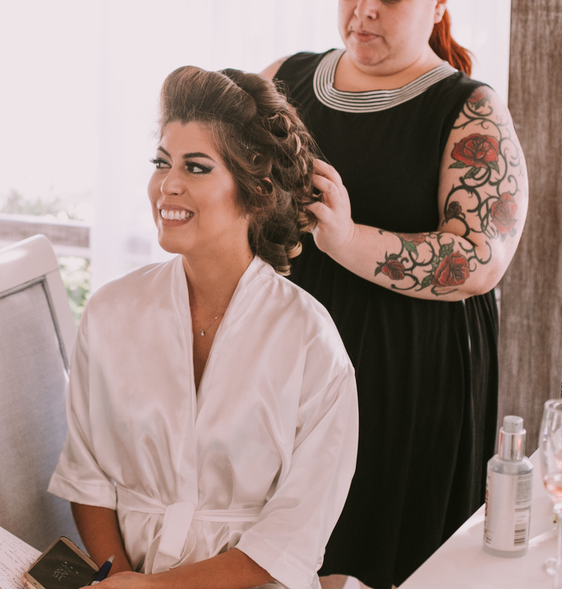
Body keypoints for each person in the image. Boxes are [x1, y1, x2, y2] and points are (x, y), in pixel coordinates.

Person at [259, 0, 529, 589]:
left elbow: (477, 260)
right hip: (291, 363)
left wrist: (347, 240)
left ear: (440, 0)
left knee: (382, 560)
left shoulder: (469, 110)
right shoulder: (284, 81)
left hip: (411, 372)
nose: (363, 12)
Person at [49, 66, 359, 589]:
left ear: (256, 189)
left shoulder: (309, 339)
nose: (168, 185)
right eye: (161, 163)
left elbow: (295, 535)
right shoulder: (110, 313)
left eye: (196, 167)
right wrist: (122, 581)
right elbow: (89, 478)